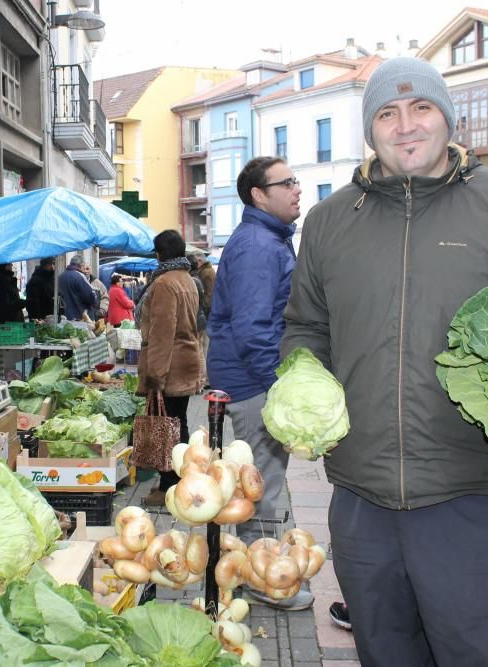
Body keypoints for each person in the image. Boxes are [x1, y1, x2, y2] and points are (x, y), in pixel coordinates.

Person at [281, 57, 488, 666]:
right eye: (387, 115)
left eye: (421, 108)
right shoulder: (329, 220)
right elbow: (307, 327)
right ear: (371, 131)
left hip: (466, 488)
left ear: (448, 119)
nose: (406, 126)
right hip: (361, 491)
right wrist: (303, 378)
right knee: (384, 650)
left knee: (472, 652)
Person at [207, 155, 306, 609]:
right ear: (259, 195)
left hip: (252, 378)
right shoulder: (259, 247)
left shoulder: (267, 240)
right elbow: (252, 328)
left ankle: (258, 569)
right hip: (253, 383)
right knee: (261, 485)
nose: (297, 189)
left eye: (296, 181)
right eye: (286, 183)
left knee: (263, 480)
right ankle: (263, 580)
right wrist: (278, 384)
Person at [136, 230, 202, 504]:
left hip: (170, 363)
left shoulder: (164, 283)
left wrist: (155, 377)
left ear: (160, 253)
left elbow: (162, 332)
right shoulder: (187, 279)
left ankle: (169, 487)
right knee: (178, 422)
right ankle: (177, 482)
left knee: (168, 426)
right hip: (187, 358)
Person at [188, 248, 215, 387]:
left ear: (199, 261)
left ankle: (204, 380)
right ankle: (204, 380)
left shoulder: (205, 273)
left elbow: (209, 296)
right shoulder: (205, 272)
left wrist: (203, 310)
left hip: (205, 315)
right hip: (205, 315)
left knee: (203, 349)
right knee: (202, 348)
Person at [58, 255, 97, 320]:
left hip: (65, 316)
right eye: (83, 266)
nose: (84, 269)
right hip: (80, 316)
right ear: (81, 265)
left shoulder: (60, 276)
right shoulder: (79, 276)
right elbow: (90, 295)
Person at [25, 257, 56, 321]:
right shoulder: (35, 280)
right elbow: (33, 302)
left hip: (51, 315)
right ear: (45, 265)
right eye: (51, 264)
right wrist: (38, 319)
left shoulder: (51, 278)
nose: (53, 266)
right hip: (41, 318)